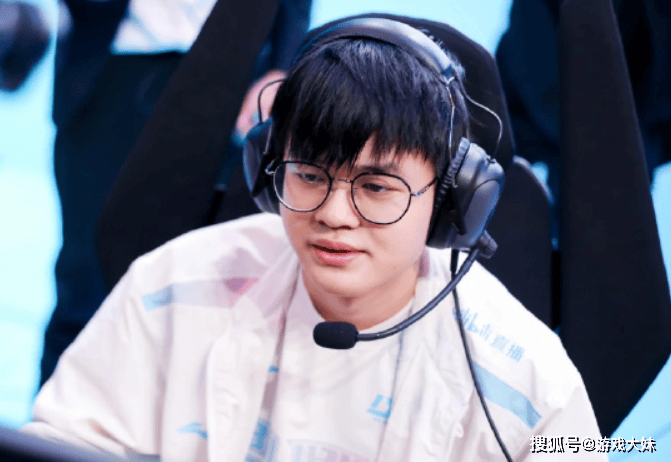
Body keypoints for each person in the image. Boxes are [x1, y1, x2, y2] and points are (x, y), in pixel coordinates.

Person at [24, 16, 605, 462]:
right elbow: (64, 443)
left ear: (451, 200)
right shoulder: (172, 288)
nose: (333, 214)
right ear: (268, 170)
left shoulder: (528, 380)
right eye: (308, 175)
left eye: (376, 187)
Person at [40, 0, 312, 386]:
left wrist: (282, 66)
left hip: (234, 74)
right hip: (113, 65)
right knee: (85, 277)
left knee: (208, 279)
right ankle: (55, 420)